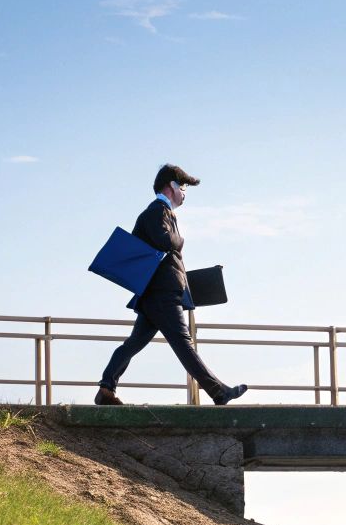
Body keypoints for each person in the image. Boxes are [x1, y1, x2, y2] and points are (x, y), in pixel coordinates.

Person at [95, 164, 248, 406]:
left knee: (134, 343)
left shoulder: (159, 212)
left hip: (155, 294)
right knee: (183, 344)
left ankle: (106, 388)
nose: (185, 194)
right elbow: (166, 241)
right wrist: (181, 239)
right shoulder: (157, 211)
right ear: (172, 187)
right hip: (162, 295)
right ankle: (219, 392)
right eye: (184, 187)